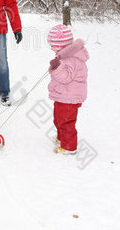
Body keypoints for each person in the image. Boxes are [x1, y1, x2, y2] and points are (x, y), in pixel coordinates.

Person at [47, 24, 89, 155]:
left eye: (53, 46)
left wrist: (57, 67)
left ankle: (69, 147)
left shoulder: (71, 59)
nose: (52, 49)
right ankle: (62, 137)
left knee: (66, 121)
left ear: (61, 46)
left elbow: (66, 77)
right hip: (63, 95)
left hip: (69, 97)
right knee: (58, 118)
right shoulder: (65, 56)